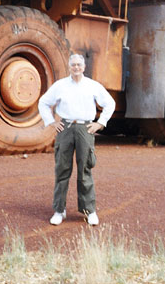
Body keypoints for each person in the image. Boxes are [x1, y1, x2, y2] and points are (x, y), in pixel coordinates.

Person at [38, 53, 115, 226]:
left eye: (79, 64)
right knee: (62, 169)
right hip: (65, 128)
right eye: (73, 65)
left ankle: (89, 211)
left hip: (85, 128)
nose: (76, 67)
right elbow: (43, 102)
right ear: (69, 66)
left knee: (85, 169)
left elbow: (110, 103)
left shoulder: (93, 86)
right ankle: (59, 210)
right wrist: (51, 122)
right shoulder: (60, 86)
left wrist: (100, 123)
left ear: (84, 67)